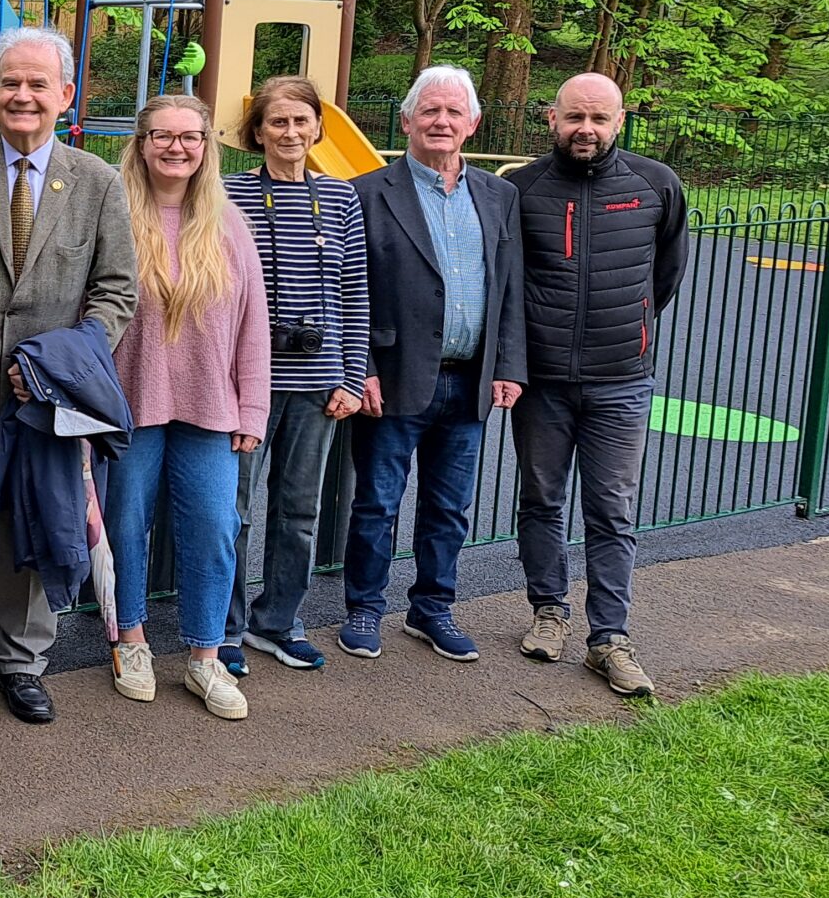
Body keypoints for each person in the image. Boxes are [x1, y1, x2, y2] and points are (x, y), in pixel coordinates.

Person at [0, 26, 136, 726]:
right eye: (11, 81)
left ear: (66, 95)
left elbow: (117, 290)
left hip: (44, 399)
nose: (23, 95)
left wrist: (63, 364)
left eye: (39, 84)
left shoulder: (97, 182)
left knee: (34, 526)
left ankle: (21, 661)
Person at [510, 72, 688, 696]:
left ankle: (609, 637)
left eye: (600, 119)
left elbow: (663, 274)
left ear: (619, 121)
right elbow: (510, 284)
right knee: (542, 499)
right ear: (552, 118)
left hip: (621, 381)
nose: (587, 129)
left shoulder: (656, 185)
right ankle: (548, 611)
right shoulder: (522, 189)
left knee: (612, 510)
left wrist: (629, 330)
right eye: (575, 117)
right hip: (543, 382)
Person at [340, 66, 525, 662]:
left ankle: (432, 608)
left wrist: (509, 364)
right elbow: (351, 288)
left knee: (449, 506)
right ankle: (365, 608)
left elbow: (511, 288)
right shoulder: (369, 192)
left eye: (453, 113)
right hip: (393, 379)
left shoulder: (500, 195)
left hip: (470, 381)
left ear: (472, 124)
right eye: (429, 112)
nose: (441, 122)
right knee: (378, 502)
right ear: (406, 121)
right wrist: (361, 366)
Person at [105, 92, 267, 719]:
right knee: (125, 527)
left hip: (211, 407)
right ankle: (132, 640)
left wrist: (252, 410)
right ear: (140, 144)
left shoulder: (228, 224)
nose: (177, 147)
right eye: (163, 136)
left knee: (213, 530)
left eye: (190, 137)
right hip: (128, 404)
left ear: (207, 148)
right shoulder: (112, 215)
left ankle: (206, 655)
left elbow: (254, 326)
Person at [221, 77, 370, 676]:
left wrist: (352, 378)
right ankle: (223, 627)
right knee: (232, 512)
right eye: (276, 122)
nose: (290, 133)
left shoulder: (340, 198)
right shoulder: (228, 194)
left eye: (300, 122)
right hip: (246, 383)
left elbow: (355, 294)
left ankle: (278, 621)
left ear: (317, 129)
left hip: (317, 383)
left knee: (298, 511)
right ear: (257, 132)